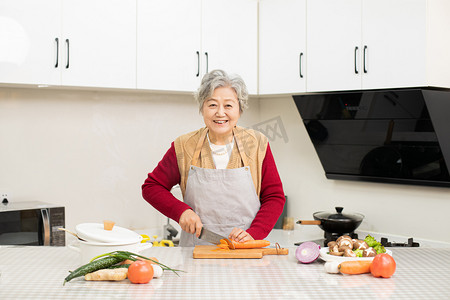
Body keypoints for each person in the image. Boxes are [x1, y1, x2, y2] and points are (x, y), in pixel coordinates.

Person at [142, 69, 285, 246]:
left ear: (239, 110)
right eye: (212, 105)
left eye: (228, 105)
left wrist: (254, 233)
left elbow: (274, 196)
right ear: (202, 108)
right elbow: (151, 187)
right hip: (195, 254)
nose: (220, 113)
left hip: (246, 251)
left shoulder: (257, 143)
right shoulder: (184, 145)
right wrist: (181, 212)